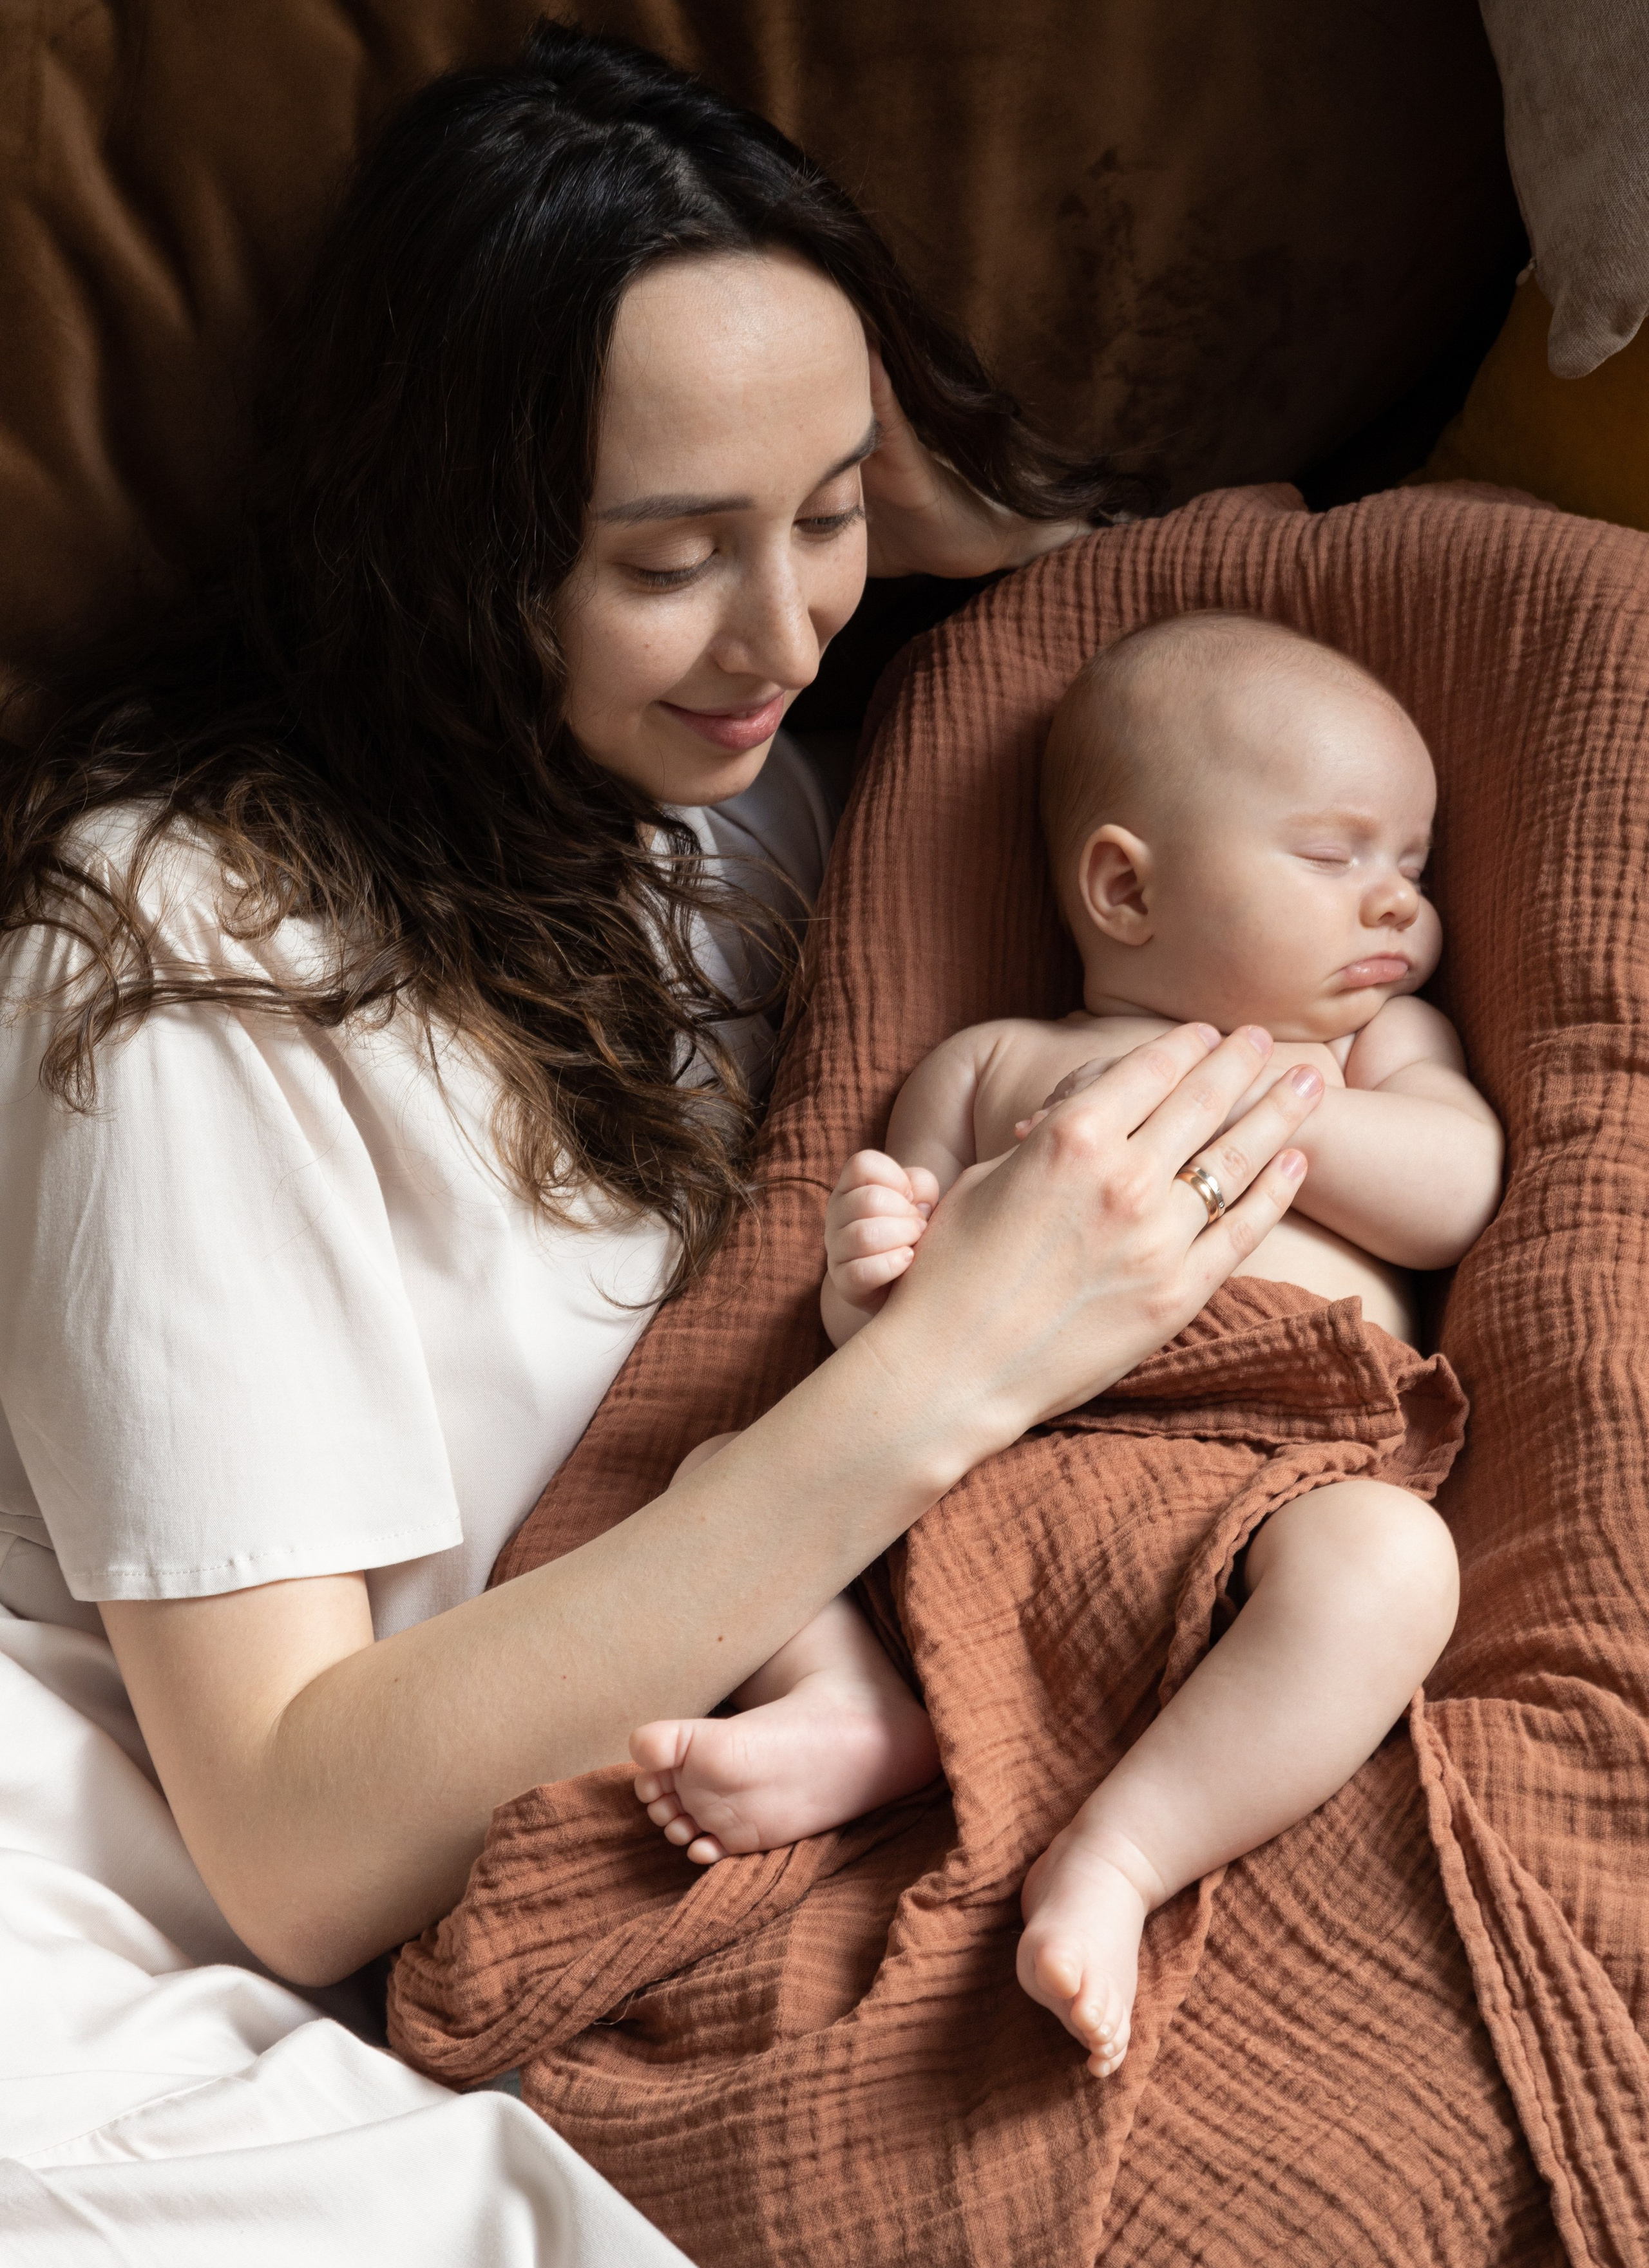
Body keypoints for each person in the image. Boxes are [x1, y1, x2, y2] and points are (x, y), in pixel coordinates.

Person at [0, 24, 1319, 2006]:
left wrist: (965, 521)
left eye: (830, 514)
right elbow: (290, 1844)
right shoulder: (166, 962)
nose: (784, 636)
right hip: (198, 1946)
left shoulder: (726, 796)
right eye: (670, 555)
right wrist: (955, 1356)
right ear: (444, 544)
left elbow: (1197, 669)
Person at [629, 612, 1503, 2079]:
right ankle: (851, 1705)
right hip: (994, 1466)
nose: (1395, 912)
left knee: (1392, 1568)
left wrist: (1283, 1113)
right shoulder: (988, 1064)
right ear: (1121, 885)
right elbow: (879, 1356)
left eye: (1408, 870)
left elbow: (1455, 1191)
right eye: (1333, 856)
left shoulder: (1357, 1059)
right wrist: (870, 1275)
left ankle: (1118, 1856)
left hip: (1254, 1488)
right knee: (721, 1472)